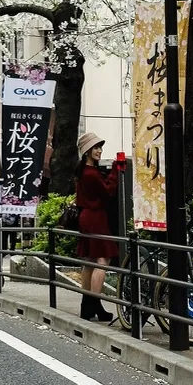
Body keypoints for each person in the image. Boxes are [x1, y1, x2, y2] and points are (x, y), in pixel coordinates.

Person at [75, 133, 119, 322]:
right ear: (87, 151)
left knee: (90, 260)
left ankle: (88, 305)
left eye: (100, 147)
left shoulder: (82, 171)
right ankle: (94, 302)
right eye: (96, 148)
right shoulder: (91, 173)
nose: (99, 151)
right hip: (95, 216)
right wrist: (116, 171)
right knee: (103, 259)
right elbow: (108, 191)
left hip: (86, 216)